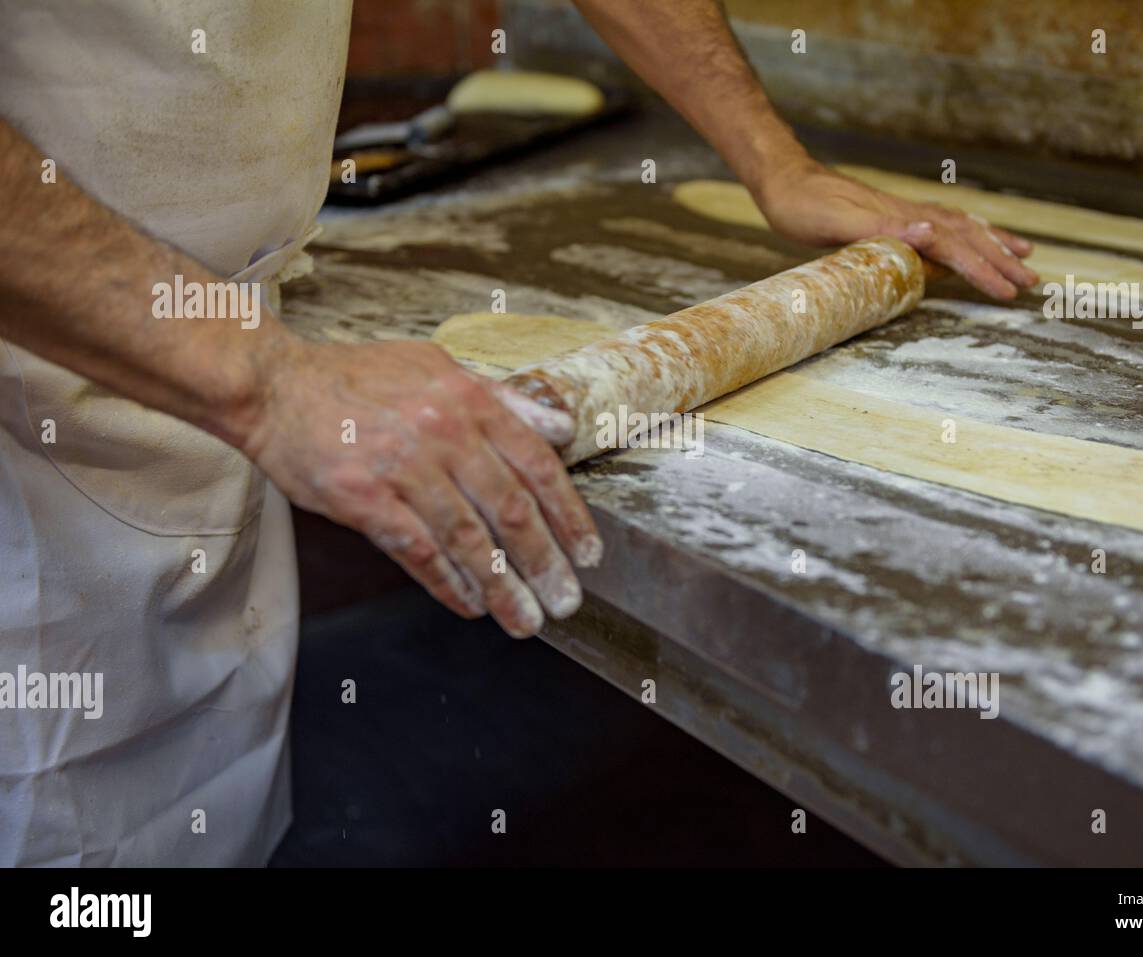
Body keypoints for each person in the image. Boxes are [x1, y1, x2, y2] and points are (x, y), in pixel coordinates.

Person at [0, 0, 1036, 866]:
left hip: (209, 346)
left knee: (205, 812)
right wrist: (269, 386)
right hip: (37, 380)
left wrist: (774, 160)